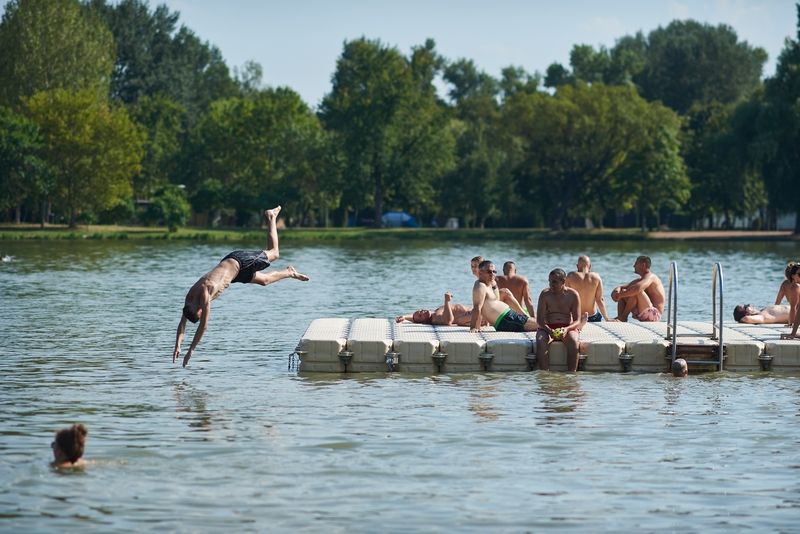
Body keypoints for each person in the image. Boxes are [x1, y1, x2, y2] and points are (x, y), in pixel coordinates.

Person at [173, 206, 310, 367]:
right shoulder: (189, 301)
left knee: (274, 253)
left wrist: (191, 350)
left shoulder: (205, 293)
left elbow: (204, 326)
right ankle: (289, 273)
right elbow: (182, 323)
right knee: (264, 281)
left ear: (198, 309)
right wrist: (178, 345)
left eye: (200, 311)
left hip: (240, 262)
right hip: (234, 274)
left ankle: (271, 217)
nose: (202, 311)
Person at [536, 268, 586, 372]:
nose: (551, 285)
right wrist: (549, 330)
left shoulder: (573, 295)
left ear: (563, 281)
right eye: (549, 281)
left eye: (554, 282)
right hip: (548, 327)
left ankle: (571, 374)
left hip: (566, 327)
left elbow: (577, 320)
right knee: (540, 340)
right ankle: (545, 375)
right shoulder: (545, 294)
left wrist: (566, 329)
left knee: (573, 340)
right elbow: (540, 320)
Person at [470, 260, 538, 333]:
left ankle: (525, 316)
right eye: (489, 272)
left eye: (494, 272)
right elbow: (477, 307)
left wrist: (494, 285)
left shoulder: (491, 284)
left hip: (509, 315)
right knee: (541, 324)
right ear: (480, 273)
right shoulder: (480, 286)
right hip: (505, 320)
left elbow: (496, 300)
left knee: (504, 291)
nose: (492, 274)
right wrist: (474, 327)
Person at [611, 256, 665, 322]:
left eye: (636, 264)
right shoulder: (641, 280)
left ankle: (623, 317)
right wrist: (616, 292)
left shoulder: (651, 277)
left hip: (654, 315)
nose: (633, 266)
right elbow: (622, 287)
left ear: (643, 265)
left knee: (635, 291)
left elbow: (638, 289)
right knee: (625, 291)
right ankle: (620, 317)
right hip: (645, 311)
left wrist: (620, 295)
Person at [565, 255, 612, 322]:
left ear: (577, 266)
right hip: (593, 317)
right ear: (590, 266)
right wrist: (607, 318)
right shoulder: (596, 277)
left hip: (576, 317)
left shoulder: (570, 276)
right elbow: (600, 299)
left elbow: (565, 298)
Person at [396, 292, 479, 326]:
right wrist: (447, 301)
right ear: (424, 321)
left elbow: (414, 318)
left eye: (420, 311)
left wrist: (404, 317)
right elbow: (448, 321)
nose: (422, 312)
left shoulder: (434, 313)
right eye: (421, 315)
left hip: (476, 311)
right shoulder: (435, 317)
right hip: (475, 314)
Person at [774, 262, 800, 326]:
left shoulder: (784, 284)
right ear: (792, 275)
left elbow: (777, 302)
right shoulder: (797, 286)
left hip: (791, 313)